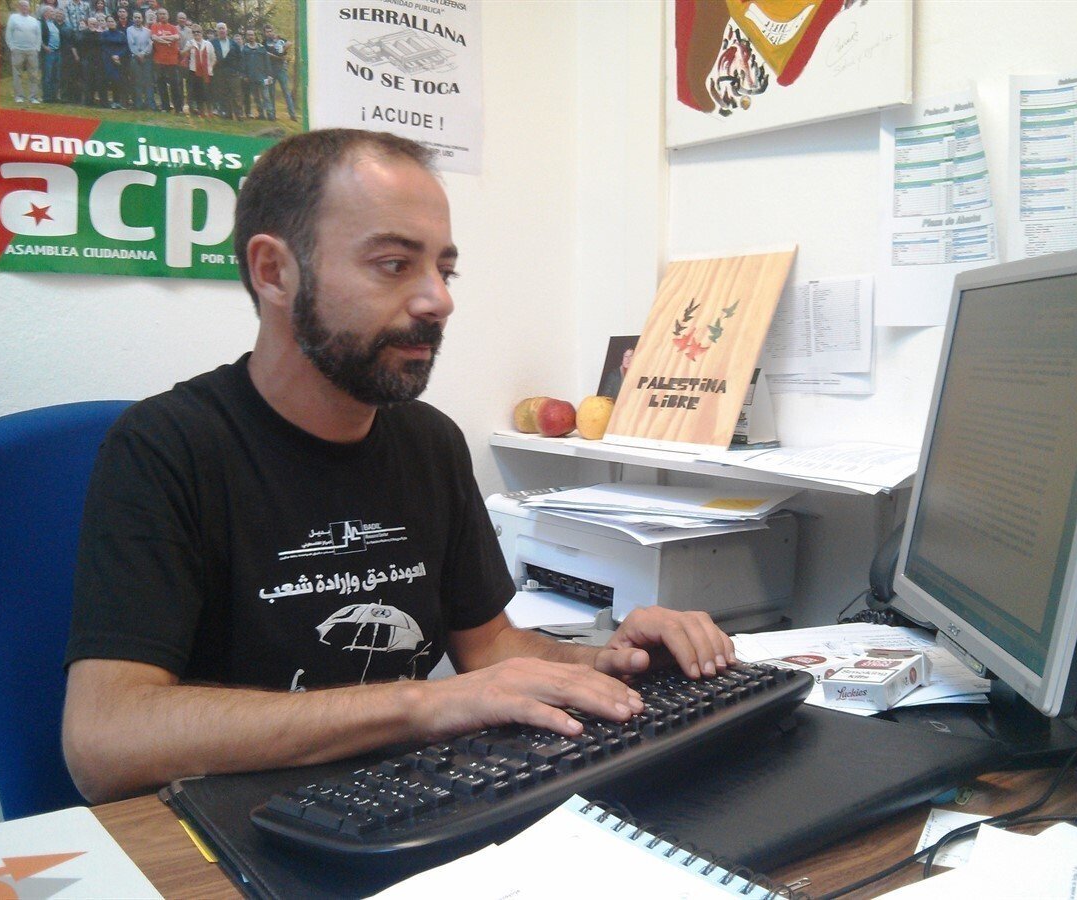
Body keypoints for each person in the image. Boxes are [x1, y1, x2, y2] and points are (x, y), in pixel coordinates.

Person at [61, 129, 736, 804]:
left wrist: (613, 660)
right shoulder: (165, 448)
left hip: (402, 804)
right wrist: (423, 704)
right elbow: (104, 740)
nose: (439, 299)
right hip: (232, 824)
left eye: (445, 270)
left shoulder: (429, 442)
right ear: (273, 272)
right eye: (394, 264)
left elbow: (489, 648)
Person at [5, 0, 42, 104]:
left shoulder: (34, 20)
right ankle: (19, 96)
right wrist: (12, 47)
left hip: (32, 50)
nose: (24, 7)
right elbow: (8, 33)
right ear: (19, 7)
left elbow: (38, 35)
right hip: (18, 50)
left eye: (26, 6)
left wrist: (37, 48)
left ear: (28, 8)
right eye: (22, 6)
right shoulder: (13, 18)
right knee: (17, 74)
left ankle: (33, 97)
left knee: (33, 74)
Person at [150, 6, 182, 112]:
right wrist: (167, 41)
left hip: (172, 61)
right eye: (160, 14)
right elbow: (154, 38)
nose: (162, 15)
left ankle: (178, 108)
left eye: (164, 14)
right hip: (159, 61)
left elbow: (176, 37)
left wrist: (162, 39)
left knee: (175, 85)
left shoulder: (173, 27)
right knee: (161, 84)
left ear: (168, 16)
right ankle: (165, 107)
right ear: (157, 16)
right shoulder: (155, 26)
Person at [261, 23, 294, 121]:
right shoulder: (264, 43)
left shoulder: (279, 39)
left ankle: (292, 115)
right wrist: (278, 56)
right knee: (271, 93)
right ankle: (272, 115)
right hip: (271, 71)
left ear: (273, 31)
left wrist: (282, 50)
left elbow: (289, 43)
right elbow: (266, 54)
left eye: (270, 31)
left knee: (286, 92)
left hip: (281, 69)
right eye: (267, 32)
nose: (269, 33)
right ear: (264, 33)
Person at [209, 21, 241, 119]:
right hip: (219, 72)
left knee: (236, 93)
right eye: (219, 28)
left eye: (223, 28)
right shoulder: (212, 43)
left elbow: (239, 57)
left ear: (226, 30)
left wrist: (237, 70)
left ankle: (239, 114)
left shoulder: (233, 43)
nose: (221, 30)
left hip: (232, 72)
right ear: (216, 31)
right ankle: (227, 114)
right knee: (223, 93)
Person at [240, 26, 272, 120]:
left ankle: (270, 115)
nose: (251, 36)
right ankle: (261, 114)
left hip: (263, 77)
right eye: (249, 35)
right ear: (247, 37)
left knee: (266, 97)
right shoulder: (245, 49)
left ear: (255, 36)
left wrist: (269, 75)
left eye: (252, 35)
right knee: (256, 97)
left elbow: (267, 62)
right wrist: (244, 75)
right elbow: (243, 64)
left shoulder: (261, 48)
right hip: (251, 77)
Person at [126, 10, 154, 110]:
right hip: (135, 58)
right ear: (132, 19)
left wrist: (143, 54)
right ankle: (138, 104)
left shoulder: (148, 31)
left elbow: (150, 44)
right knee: (137, 81)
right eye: (135, 17)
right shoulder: (129, 30)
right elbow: (131, 44)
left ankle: (150, 104)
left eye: (139, 17)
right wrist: (139, 54)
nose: (137, 19)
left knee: (148, 81)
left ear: (142, 19)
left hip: (146, 58)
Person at [184, 23, 214, 118]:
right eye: (194, 32)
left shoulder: (208, 44)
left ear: (202, 32)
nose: (196, 33)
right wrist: (188, 49)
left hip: (206, 72)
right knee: (198, 92)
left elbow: (213, 58)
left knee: (207, 92)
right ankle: (201, 111)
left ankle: (210, 111)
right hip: (194, 72)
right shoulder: (190, 43)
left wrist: (210, 68)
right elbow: (183, 54)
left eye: (198, 32)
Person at [38, 4, 61, 102]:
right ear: (45, 13)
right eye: (51, 11)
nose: (53, 13)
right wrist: (44, 47)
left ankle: (54, 96)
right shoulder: (40, 23)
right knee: (47, 75)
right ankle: (47, 97)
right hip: (48, 53)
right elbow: (37, 37)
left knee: (56, 75)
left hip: (57, 52)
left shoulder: (53, 23)